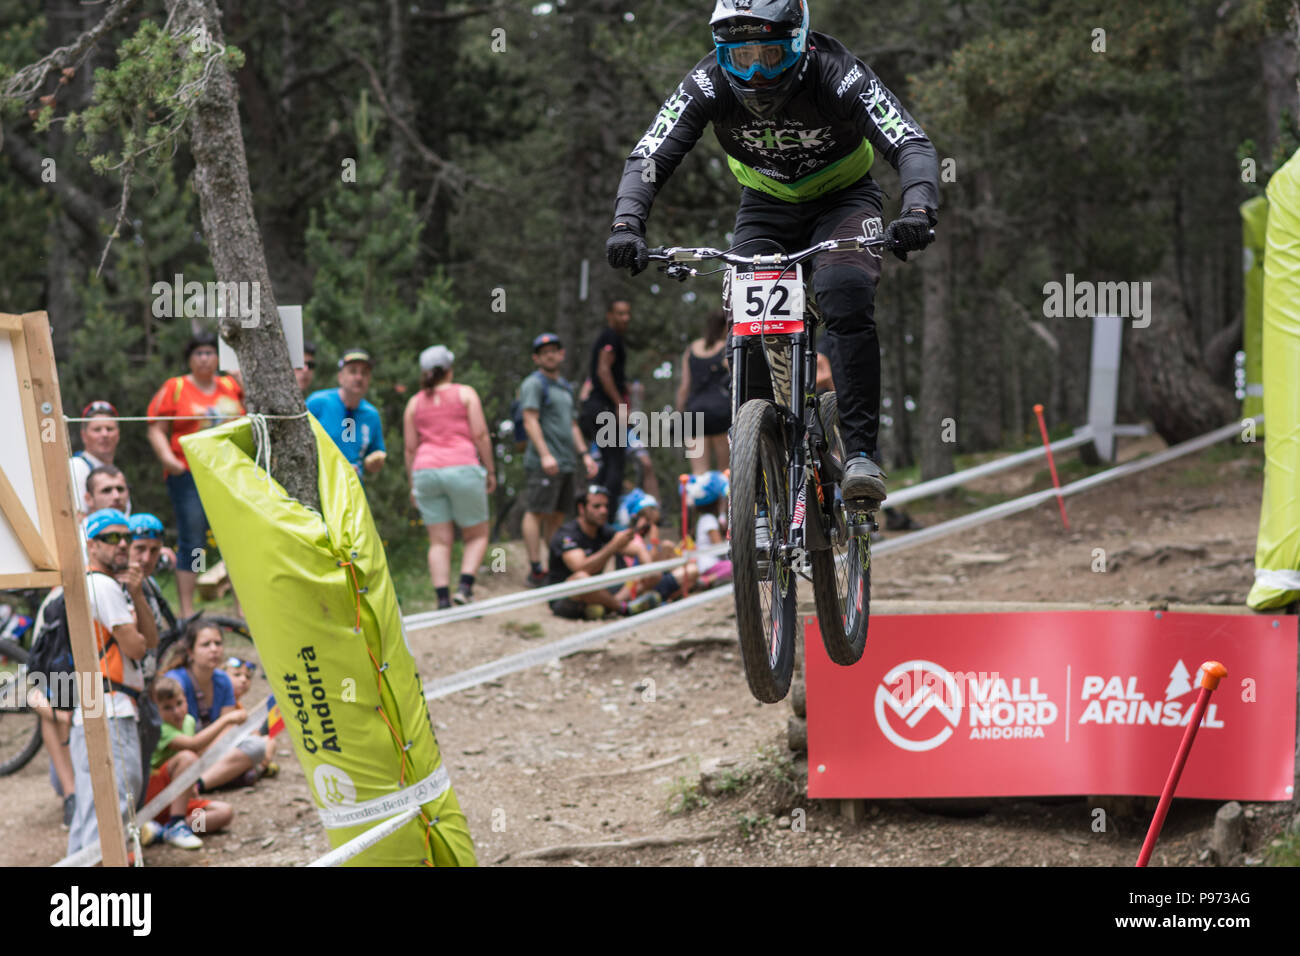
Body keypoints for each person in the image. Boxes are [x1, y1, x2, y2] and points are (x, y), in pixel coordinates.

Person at [606, 0, 940, 505]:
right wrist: (628, 223)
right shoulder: (708, 82)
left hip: (844, 199)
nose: (756, 72)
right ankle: (762, 464)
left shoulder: (836, 73)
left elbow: (910, 142)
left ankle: (861, 456)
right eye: (741, 59)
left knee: (843, 292)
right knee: (748, 313)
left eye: (769, 54)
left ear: (801, 41)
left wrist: (917, 212)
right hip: (766, 205)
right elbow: (652, 152)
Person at [66, 509, 160, 857]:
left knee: (93, 807)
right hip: (110, 706)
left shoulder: (102, 584)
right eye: (111, 538)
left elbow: (149, 641)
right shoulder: (102, 585)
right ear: (92, 544)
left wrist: (136, 594)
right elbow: (137, 646)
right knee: (115, 802)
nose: (122, 544)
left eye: (126, 537)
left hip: (96, 702)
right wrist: (132, 597)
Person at [146, 331, 245, 617]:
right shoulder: (176, 387)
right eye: (198, 353)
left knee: (235, 536)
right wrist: (167, 459)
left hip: (228, 472)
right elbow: (155, 426)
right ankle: (189, 612)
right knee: (194, 538)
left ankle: (242, 607)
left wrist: (243, 381)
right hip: (188, 474)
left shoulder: (230, 384)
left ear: (218, 357)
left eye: (210, 353)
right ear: (190, 359)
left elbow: (253, 411)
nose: (204, 358)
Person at [404, 345, 495, 608]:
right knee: (477, 535)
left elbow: (410, 448)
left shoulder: (413, 402)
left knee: (439, 541)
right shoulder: (465, 393)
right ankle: (465, 588)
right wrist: (490, 470)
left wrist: (413, 486)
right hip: (462, 467)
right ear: (449, 369)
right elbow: (480, 435)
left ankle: (442, 598)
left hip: (425, 472)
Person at [520, 333, 598, 587]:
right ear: (536, 358)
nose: (550, 355)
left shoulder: (564, 386)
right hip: (544, 462)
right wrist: (545, 455)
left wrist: (585, 455)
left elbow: (572, 424)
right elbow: (530, 419)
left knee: (556, 516)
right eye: (544, 352)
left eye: (554, 350)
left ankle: (552, 567)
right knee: (536, 512)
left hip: (566, 462)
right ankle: (535, 568)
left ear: (561, 354)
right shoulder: (534, 384)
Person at [546, 485, 693, 620]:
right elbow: (581, 568)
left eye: (605, 506)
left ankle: (608, 606)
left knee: (653, 573)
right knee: (582, 578)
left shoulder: (603, 530)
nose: (603, 511)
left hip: (598, 589)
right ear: (581, 509)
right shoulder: (567, 534)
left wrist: (648, 565)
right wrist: (613, 546)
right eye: (597, 506)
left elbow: (636, 549)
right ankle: (624, 608)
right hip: (566, 598)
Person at [163, 621, 269, 790]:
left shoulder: (223, 680)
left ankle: (199, 784)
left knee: (257, 745)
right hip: (183, 752)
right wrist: (226, 724)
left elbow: (227, 731)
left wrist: (214, 746)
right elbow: (178, 739)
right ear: (190, 652)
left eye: (218, 643)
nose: (214, 649)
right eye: (206, 644)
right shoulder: (175, 681)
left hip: (211, 749)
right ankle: (217, 777)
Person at [142, 676, 235, 848]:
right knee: (187, 757)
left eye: (179, 703)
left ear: (186, 700)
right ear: (156, 711)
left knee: (223, 813)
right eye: (167, 708)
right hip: (155, 798)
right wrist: (226, 720)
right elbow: (194, 745)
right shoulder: (160, 728)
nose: (176, 711)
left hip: (178, 799)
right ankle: (177, 824)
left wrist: (191, 785)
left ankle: (164, 832)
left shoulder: (189, 722)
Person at [306, 348, 387, 481]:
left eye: (364, 373)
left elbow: (375, 458)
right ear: (340, 377)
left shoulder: (371, 415)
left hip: (352, 489)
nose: (359, 377)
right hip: (319, 483)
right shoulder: (318, 403)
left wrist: (374, 462)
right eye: (353, 371)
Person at [579, 300, 632, 497]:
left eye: (627, 313)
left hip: (596, 407)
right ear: (610, 315)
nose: (625, 318)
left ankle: (596, 508)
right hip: (604, 408)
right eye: (620, 313)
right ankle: (606, 516)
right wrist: (620, 404)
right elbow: (603, 370)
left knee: (607, 463)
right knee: (615, 463)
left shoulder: (611, 338)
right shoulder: (610, 337)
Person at [676, 310, 732, 474]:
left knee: (699, 473)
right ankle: (724, 501)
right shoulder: (725, 349)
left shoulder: (691, 350)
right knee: (725, 472)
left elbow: (684, 386)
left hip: (694, 414)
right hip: (720, 413)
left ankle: (696, 500)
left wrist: (680, 412)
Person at [69, 401, 124, 514]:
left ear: (118, 434)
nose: (104, 434)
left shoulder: (118, 474)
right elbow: (78, 518)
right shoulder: (76, 466)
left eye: (109, 429)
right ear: (84, 436)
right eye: (97, 429)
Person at [688, 471, 734, 588]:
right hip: (709, 565)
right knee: (736, 566)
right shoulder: (709, 520)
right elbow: (719, 547)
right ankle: (708, 580)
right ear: (717, 501)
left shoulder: (705, 519)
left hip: (710, 565)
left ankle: (715, 579)